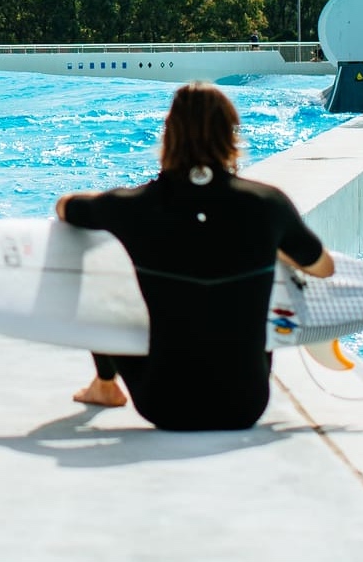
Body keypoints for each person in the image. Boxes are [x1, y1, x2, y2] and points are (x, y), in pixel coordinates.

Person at [56, 81, 333, 431]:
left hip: (164, 404)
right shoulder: (267, 204)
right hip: (245, 404)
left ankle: (105, 385)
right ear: (231, 135)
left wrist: (112, 203)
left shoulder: (133, 207)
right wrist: (272, 246)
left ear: (168, 136)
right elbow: (323, 268)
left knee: (106, 271)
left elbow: (65, 207)